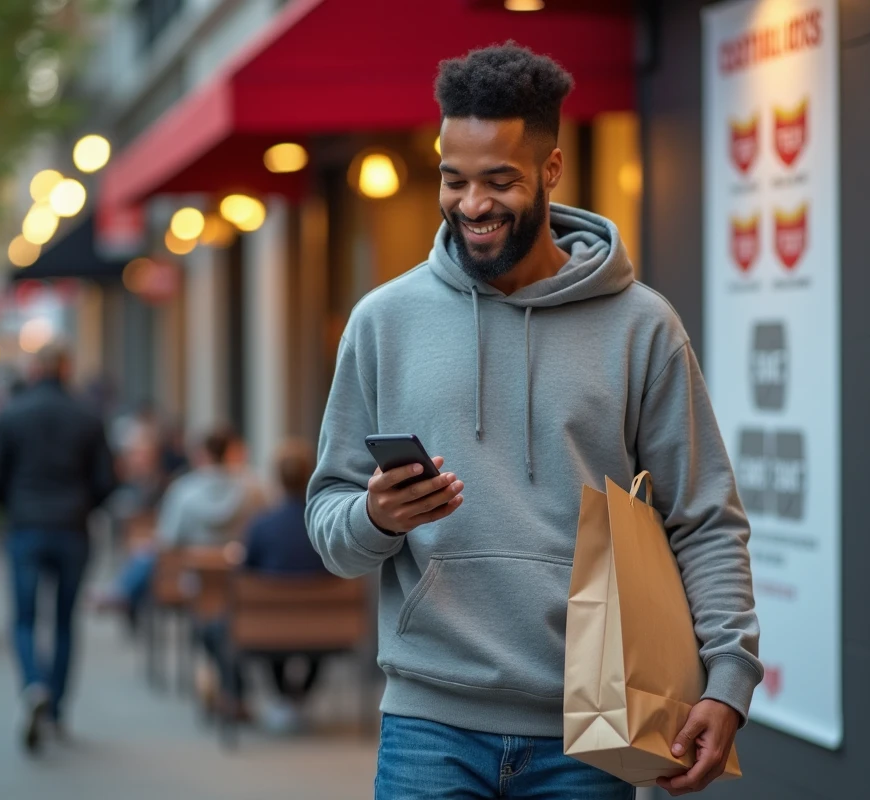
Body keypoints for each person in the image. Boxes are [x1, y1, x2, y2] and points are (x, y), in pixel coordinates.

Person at [306, 43, 761, 799]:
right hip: (429, 723)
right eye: (454, 180)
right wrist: (376, 518)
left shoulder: (641, 325)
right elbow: (330, 527)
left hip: (593, 729)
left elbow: (704, 516)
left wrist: (729, 678)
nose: (472, 205)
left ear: (551, 171)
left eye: (499, 181)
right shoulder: (384, 321)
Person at [0, 344, 117, 753]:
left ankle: (32, 684)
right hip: (72, 529)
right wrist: (81, 507)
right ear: (67, 367)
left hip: (25, 527)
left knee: (24, 618)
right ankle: (56, 709)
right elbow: (106, 482)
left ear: (35, 369)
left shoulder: (12, 413)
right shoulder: (87, 415)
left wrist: (15, 508)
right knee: (63, 622)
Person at [200, 439, 327, 730]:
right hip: (326, 626)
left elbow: (246, 574)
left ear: (277, 477)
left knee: (228, 625)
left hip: (269, 624)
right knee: (297, 619)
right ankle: (297, 698)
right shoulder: (323, 525)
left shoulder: (261, 525)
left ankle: (272, 697)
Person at [95, 427, 266, 623]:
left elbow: (169, 539)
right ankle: (120, 592)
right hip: (236, 575)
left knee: (147, 552)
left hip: (190, 577)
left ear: (205, 454)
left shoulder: (184, 489)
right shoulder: (255, 490)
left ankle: (120, 592)